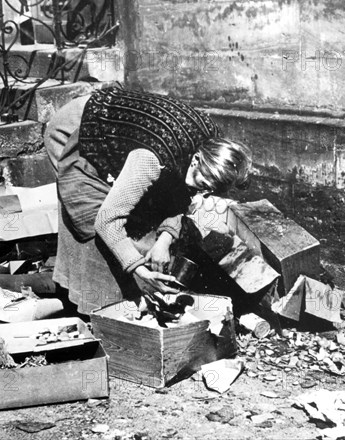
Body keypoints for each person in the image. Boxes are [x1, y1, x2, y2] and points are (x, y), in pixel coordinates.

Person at [45, 87, 251, 314]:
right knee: (89, 222)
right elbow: (107, 220)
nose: (204, 191)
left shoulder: (213, 148)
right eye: (204, 183)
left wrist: (165, 239)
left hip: (123, 129)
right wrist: (138, 269)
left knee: (138, 220)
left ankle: (97, 295)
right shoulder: (151, 159)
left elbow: (181, 192)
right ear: (195, 160)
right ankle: (85, 303)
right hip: (78, 128)